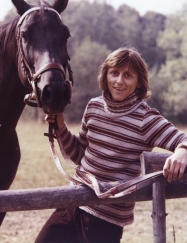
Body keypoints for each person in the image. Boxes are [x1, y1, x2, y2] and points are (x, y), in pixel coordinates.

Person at [35, 47, 187, 243]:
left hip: (106, 221)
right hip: (72, 203)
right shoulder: (94, 106)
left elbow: (183, 139)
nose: (119, 81)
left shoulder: (145, 119)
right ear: (105, 75)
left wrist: (182, 152)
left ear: (139, 82)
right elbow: (80, 155)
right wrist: (61, 127)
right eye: (114, 73)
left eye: (128, 75)